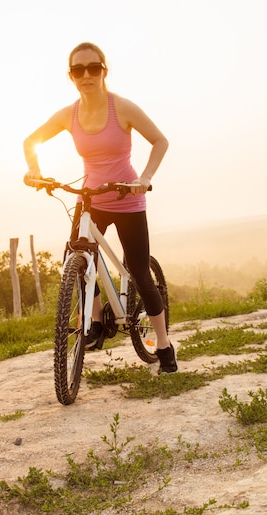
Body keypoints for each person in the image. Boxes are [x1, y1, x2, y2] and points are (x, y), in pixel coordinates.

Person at [23, 42, 177, 373]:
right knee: (76, 260)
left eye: (93, 68)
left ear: (104, 70)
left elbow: (160, 141)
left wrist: (146, 177)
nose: (86, 75)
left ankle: (163, 345)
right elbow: (30, 141)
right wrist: (34, 170)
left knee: (138, 271)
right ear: (71, 76)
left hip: (126, 196)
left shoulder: (121, 107)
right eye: (78, 70)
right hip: (89, 198)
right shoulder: (69, 114)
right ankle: (93, 322)